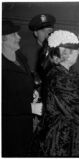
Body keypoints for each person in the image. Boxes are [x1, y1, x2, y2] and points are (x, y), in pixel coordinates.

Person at [32, 30, 79, 157]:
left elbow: (76, 99)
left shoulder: (66, 73)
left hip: (68, 132)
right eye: (75, 50)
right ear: (65, 54)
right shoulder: (60, 77)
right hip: (59, 137)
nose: (78, 53)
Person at [2, 20, 42, 157]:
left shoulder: (19, 55)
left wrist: (32, 90)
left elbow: (26, 76)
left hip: (24, 123)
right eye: (14, 35)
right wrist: (29, 108)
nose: (19, 37)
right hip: (9, 128)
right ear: (2, 39)